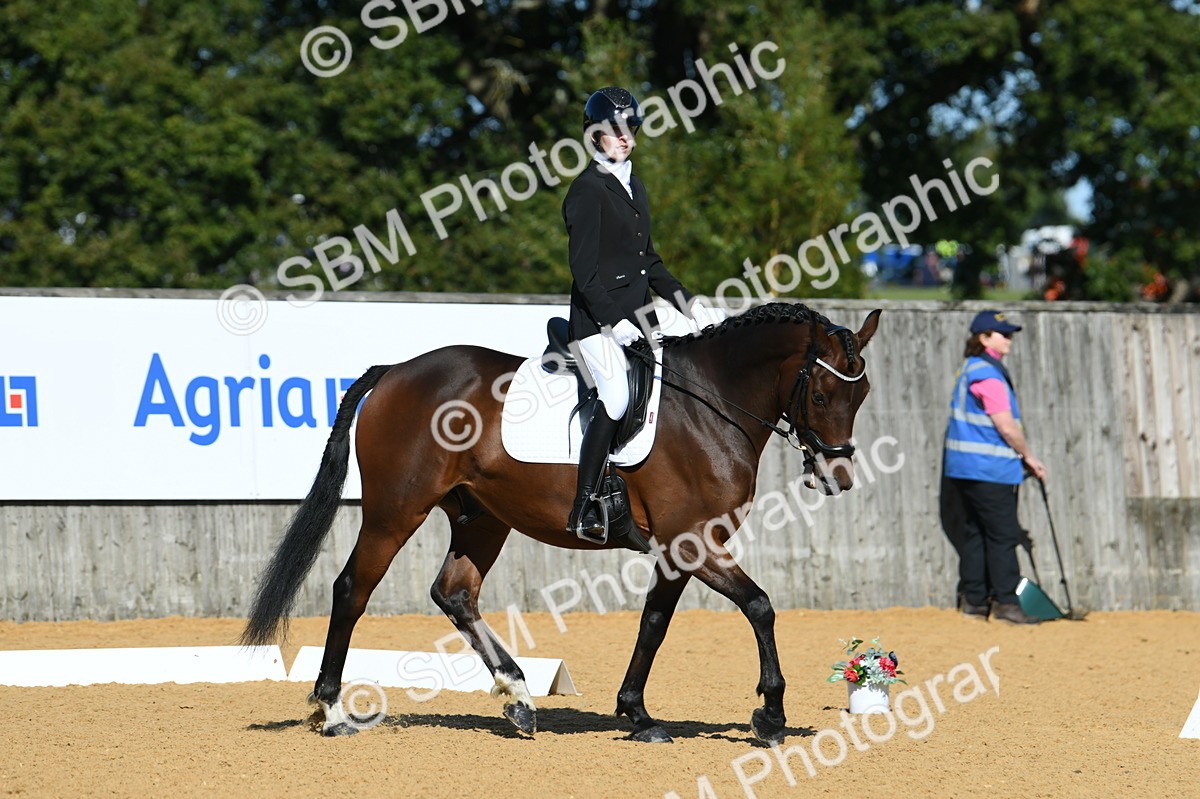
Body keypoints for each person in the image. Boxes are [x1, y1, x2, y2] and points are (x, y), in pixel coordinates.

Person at [561, 86, 720, 543]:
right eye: (614, 130)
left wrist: (691, 306)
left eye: (631, 127)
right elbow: (585, 277)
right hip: (596, 322)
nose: (625, 137)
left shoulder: (635, 185)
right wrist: (619, 326)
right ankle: (585, 505)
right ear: (595, 136)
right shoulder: (587, 192)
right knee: (614, 396)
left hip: (640, 313)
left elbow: (649, 262)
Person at [941, 310, 1048, 624]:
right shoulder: (988, 374)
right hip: (990, 468)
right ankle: (1005, 602)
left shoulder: (970, 368)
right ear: (984, 337)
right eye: (1003, 333)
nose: (1009, 339)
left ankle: (974, 600)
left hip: (964, 468)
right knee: (1003, 535)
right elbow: (1006, 426)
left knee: (975, 531)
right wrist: (1029, 456)